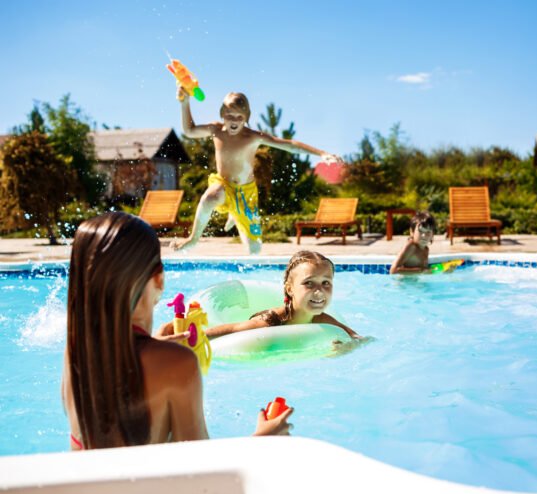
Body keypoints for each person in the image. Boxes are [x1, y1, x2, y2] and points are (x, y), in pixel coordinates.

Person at [61, 212, 292, 450]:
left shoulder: (75, 352)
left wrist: (152, 343)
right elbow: (198, 468)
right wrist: (263, 440)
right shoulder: (176, 364)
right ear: (159, 279)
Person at [171, 89, 342, 254]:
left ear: (246, 118)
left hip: (246, 194)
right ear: (222, 114)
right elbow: (189, 131)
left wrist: (321, 153)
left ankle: (235, 214)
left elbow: (289, 145)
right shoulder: (216, 130)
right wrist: (184, 103)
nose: (234, 120)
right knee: (210, 197)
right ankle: (193, 239)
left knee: (255, 249)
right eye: (229, 116)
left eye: (239, 117)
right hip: (223, 185)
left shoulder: (252, 136)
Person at [197, 250, 359, 340]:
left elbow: (356, 337)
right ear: (290, 289)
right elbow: (233, 329)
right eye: (309, 283)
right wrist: (190, 338)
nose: (319, 291)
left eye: (326, 283)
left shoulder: (321, 319)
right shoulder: (270, 322)